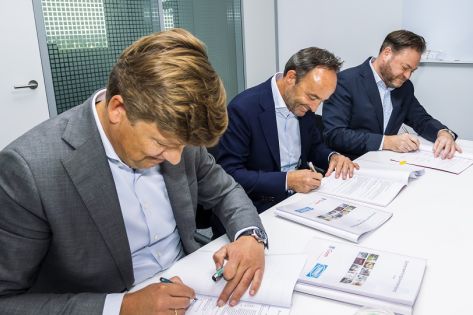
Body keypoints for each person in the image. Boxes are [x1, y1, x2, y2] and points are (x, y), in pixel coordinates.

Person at [0, 28, 268, 315]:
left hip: (193, 287)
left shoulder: (175, 134)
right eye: (162, 144)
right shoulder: (30, 170)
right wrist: (121, 307)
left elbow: (226, 190)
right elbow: (7, 301)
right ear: (118, 109)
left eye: (182, 146)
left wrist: (250, 236)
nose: (176, 159)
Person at [217, 47, 358, 213]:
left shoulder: (303, 106)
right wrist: (287, 180)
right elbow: (230, 174)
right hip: (255, 208)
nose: (314, 108)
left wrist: (332, 157)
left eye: (321, 101)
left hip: (300, 200)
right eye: (312, 97)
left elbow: (313, 147)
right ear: (291, 78)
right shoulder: (243, 109)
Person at [323, 30, 462, 159]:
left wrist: (443, 133)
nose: (408, 76)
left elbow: (421, 119)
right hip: (352, 164)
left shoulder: (404, 87)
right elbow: (334, 134)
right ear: (387, 53)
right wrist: (386, 142)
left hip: (387, 162)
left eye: (412, 71)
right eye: (405, 67)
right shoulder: (345, 81)